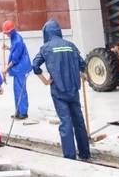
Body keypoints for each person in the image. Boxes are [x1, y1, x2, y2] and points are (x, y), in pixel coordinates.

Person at [32, 19, 90, 161]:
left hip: (59, 91)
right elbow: (83, 64)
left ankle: (70, 156)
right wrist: (83, 74)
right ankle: (85, 153)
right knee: (79, 121)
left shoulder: (46, 48)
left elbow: (35, 66)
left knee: (65, 123)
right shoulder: (71, 46)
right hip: (73, 90)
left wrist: (45, 81)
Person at [2, 20, 31, 120]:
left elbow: (15, 58)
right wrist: (8, 48)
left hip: (21, 68)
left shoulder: (18, 40)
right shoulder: (14, 38)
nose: (6, 35)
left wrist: (6, 68)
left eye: (7, 33)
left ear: (11, 31)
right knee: (17, 90)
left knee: (21, 90)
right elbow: (15, 50)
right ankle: (18, 111)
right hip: (19, 68)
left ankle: (23, 113)